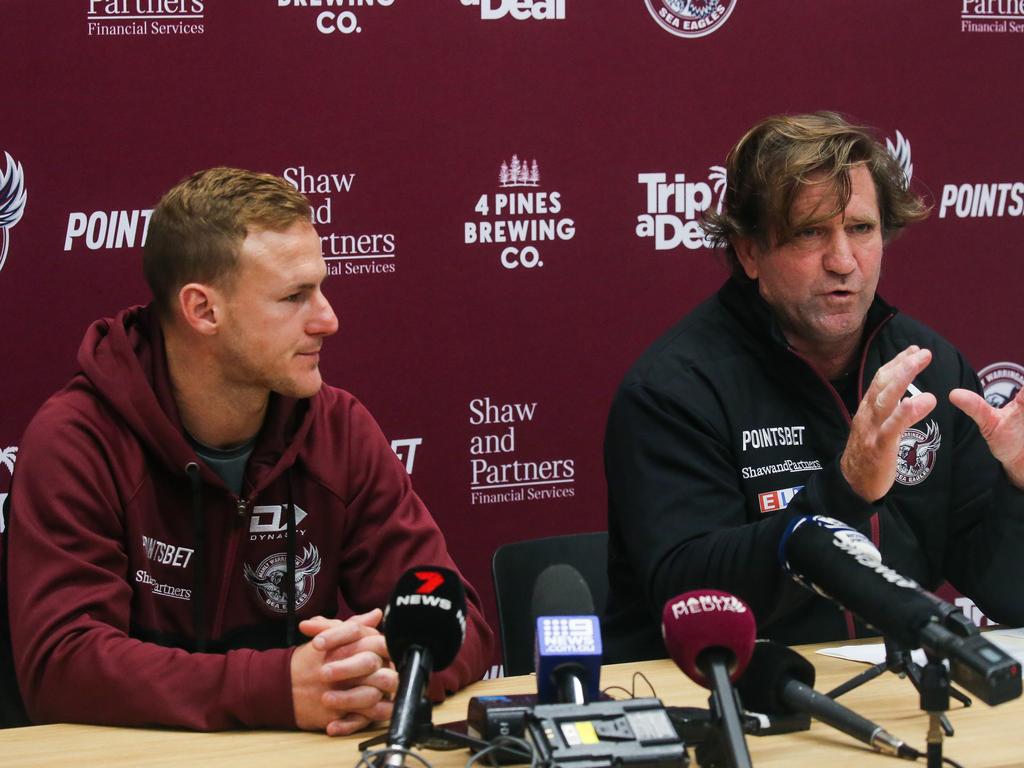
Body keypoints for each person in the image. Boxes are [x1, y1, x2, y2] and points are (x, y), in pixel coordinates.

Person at [5, 168, 494, 733]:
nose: (328, 319)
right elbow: (62, 669)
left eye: (321, 288)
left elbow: (461, 624)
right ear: (203, 310)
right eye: (294, 297)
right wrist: (280, 688)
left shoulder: (340, 429)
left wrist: (383, 668)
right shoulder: (78, 440)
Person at [602, 112, 1024, 662]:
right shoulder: (673, 392)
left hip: (891, 692)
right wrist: (845, 491)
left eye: (861, 229)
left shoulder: (930, 368)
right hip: (724, 698)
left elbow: (1005, 592)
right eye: (809, 232)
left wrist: (1019, 488)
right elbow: (693, 600)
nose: (843, 261)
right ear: (749, 252)